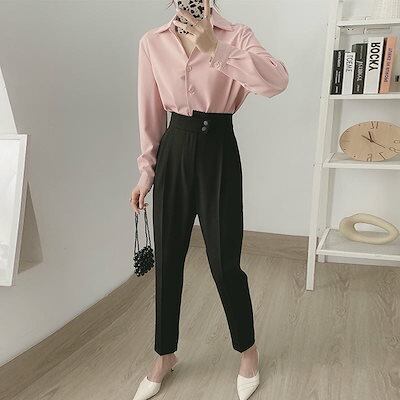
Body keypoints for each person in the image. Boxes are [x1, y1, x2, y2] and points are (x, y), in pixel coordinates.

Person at [130, 1, 288, 399]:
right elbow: (150, 113)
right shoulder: (152, 42)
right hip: (174, 149)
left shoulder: (237, 35)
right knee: (168, 260)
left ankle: (248, 351)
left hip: (218, 147)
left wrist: (214, 48)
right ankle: (165, 354)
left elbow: (276, 81)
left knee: (224, 262)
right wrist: (146, 172)